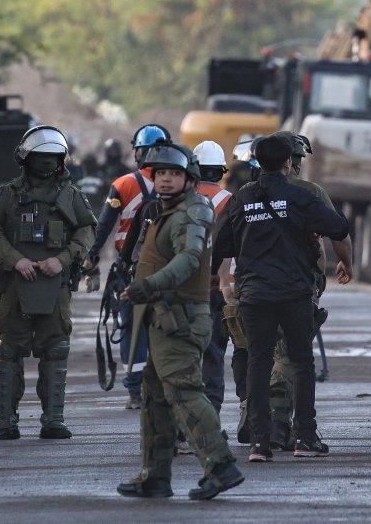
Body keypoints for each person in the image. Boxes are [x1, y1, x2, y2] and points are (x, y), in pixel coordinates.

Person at [116, 142, 243, 501]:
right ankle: (155, 475)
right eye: (160, 174)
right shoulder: (167, 211)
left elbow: (189, 260)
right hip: (165, 319)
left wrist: (147, 286)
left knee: (185, 393)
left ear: (190, 179)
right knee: (154, 396)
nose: (166, 180)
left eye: (174, 173)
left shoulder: (191, 213)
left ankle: (220, 466)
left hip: (182, 320)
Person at [213, 134, 349, 462]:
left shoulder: (241, 200)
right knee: (302, 363)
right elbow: (338, 226)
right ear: (289, 162)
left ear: (257, 162)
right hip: (294, 292)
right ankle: (304, 437)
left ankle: (260, 444)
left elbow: (221, 247)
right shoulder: (301, 196)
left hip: (254, 293)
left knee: (258, 362)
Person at [0, 126, 96, 440]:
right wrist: (15, 259)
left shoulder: (70, 195)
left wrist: (63, 259)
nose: (46, 162)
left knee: (56, 348)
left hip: (54, 284)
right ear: (25, 158)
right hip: (15, 285)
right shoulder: (9, 194)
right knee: (9, 349)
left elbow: (86, 230)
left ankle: (53, 420)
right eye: (40, 157)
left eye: (53, 157)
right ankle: (5, 421)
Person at [84, 124, 170, 408]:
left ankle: (136, 392)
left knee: (133, 331)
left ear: (140, 151)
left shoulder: (123, 184)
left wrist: (92, 259)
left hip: (130, 271)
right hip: (170, 271)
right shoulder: (180, 183)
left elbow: (104, 226)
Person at [192, 140, 231, 414]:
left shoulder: (178, 198)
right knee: (214, 353)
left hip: (182, 289)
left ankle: (184, 418)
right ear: (221, 170)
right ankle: (211, 415)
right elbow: (234, 248)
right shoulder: (229, 200)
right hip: (216, 288)